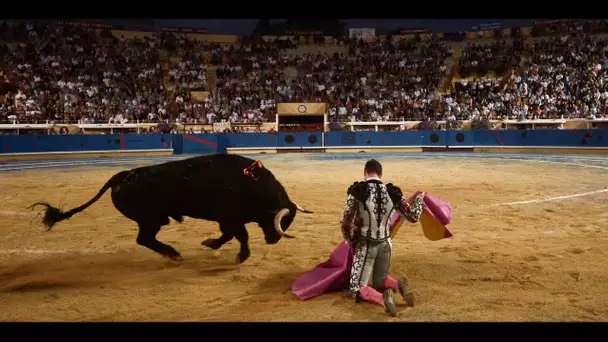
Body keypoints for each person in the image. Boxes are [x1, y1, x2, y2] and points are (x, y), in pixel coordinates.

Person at [341, 159, 425, 317]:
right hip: (386, 244)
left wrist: (350, 239)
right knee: (380, 279)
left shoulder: (359, 191)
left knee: (357, 287)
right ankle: (398, 286)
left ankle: (382, 298)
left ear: (365, 173)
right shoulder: (392, 193)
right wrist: (420, 199)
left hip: (366, 245)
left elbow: (346, 221)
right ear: (381, 174)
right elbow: (413, 217)